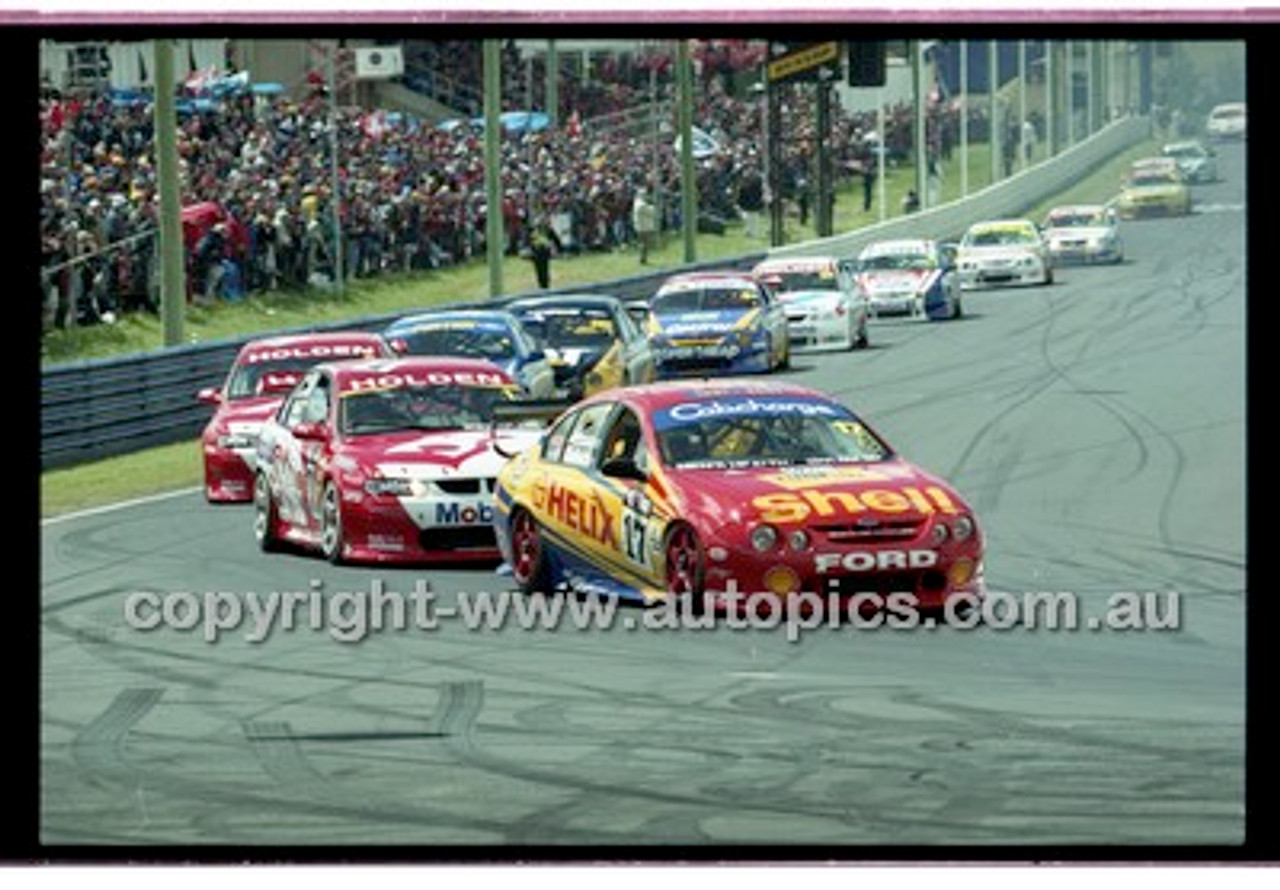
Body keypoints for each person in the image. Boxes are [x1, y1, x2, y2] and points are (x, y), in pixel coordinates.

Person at [528, 216, 562, 289]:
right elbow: (557, 241)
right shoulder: (545, 230)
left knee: (541, 271)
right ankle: (543, 285)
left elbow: (556, 241)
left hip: (540, 253)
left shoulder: (538, 230)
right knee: (542, 270)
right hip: (541, 253)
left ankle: (543, 285)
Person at [631, 188, 657, 264]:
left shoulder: (637, 203)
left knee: (643, 243)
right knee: (644, 244)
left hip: (641, 226)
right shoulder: (642, 205)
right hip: (643, 227)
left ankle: (643, 258)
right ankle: (642, 258)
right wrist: (653, 205)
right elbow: (652, 212)